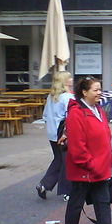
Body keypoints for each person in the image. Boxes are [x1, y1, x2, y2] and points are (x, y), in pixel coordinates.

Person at [61, 76, 112, 224]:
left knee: (103, 203)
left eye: (100, 89)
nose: (100, 93)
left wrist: (103, 164)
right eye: (96, 90)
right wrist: (92, 165)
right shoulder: (76, 113)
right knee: (76, 204)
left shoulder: (98, 109)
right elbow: (77, 148)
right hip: (85, 170)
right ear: (84, 92)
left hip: (100, 169)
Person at [36, 71, 74, 201]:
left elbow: (45, 116)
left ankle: (44, 185)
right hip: (63, 133)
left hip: (52, 133)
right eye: (69, 77)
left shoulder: (51, 97)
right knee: (67, 162)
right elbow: (71, 116)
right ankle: (67, 192)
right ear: (64, 81)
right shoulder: (67, 97)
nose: (72, 79)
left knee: (59, 159)